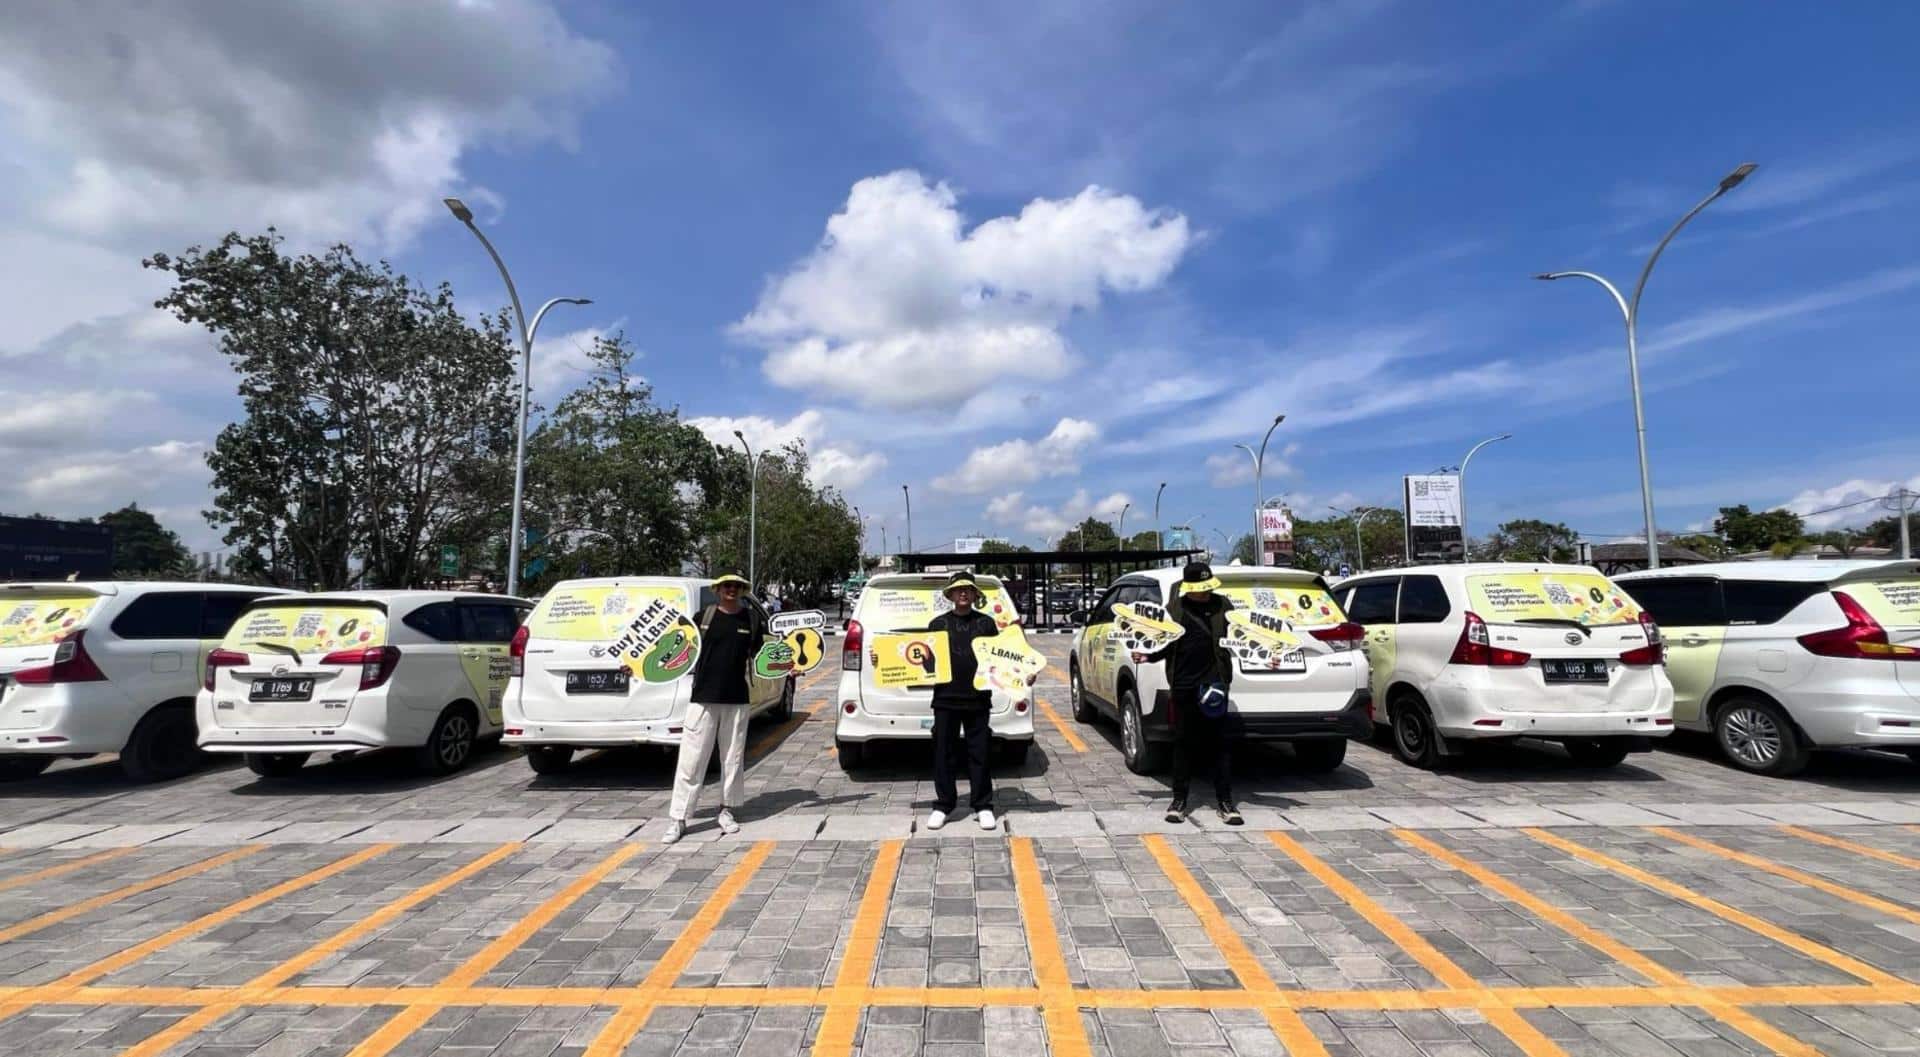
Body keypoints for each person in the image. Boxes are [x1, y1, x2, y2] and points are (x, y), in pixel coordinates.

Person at [1133, 561, 1242, 826]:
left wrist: (1267, 658)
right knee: (1182, 742)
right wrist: (1148, 656)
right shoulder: (1174, 609)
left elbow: (1243, 639)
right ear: (1188, 588)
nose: (1203, 594)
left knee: (1220, 744)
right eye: (1198, 589)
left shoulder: (1223, 606)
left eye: (1206, 588)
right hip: (1183, 684)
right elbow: (1165, 643)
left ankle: (1226, 802)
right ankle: (1179, 800)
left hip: (1214, 684)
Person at [662, 573, 766, 844]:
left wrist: (791, 666)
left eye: (736, 586)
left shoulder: (751, 620)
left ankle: (727, 810)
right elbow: (672, 649)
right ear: (718, 589)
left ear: (742, 590)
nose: (731, 590)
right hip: (702, 698)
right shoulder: (701, 618)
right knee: (692, 760)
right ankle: (679, 818)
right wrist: (636, 666)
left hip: (737, 699)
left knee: (732, 759)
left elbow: (763, 658)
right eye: (726, 586)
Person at [926, 571, 1003, 831]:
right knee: (943, 754)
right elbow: (923, 661)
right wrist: (884, 660)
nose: (962, 593)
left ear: (974, 594)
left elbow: (1002, 660)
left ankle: (982, 805)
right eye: (958, 589)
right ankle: (944, 805)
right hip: (945, 699)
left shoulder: (986, 624)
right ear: (950, 594)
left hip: (978, 699)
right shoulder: (937, 624)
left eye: (967, 589)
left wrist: (1025, 674)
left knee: (979, 753)